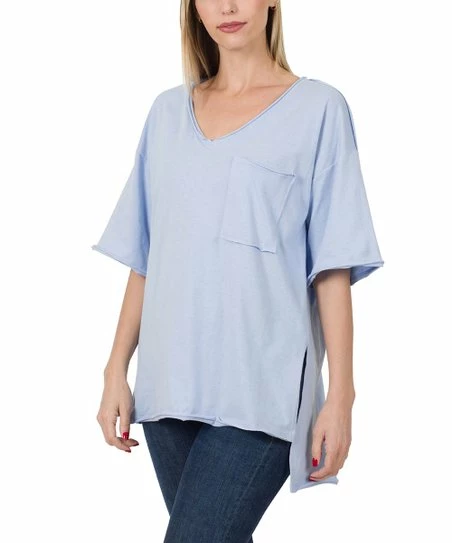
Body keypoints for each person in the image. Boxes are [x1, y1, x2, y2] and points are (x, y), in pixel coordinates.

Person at [92, 1, 384, 541]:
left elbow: (332, 268)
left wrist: (341, 396)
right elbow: (147, 256)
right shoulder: (166, 114)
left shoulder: (319, 110)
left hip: (261, 392)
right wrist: (115, 369)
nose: (226, 6)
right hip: (168, 388)